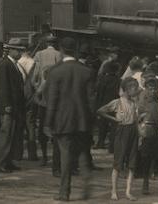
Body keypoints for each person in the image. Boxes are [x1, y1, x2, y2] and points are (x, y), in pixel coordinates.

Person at [44, 37, 93, 202]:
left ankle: (64, 193)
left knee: (65, 156)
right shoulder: (86, 71)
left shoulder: (55, 72)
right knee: (83, 154)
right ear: (76, 50)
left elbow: (52, 101)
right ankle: (87, 186)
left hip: (63, 120)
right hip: (82, 121)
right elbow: (91, 100)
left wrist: (48, 122)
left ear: (61, 50)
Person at [97, 77, 140, 201]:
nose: (136, 90)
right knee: (118, 163)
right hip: (122, 132)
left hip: (133, 132)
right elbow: (100, 111)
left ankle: (128, 191)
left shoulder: (134, 103)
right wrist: (114, 119)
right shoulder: (117, 102)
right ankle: (114, 191)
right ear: (127, 89)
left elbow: (136, 120)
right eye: (134, 88)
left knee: (132, 163)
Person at [0, 38, 26, 173]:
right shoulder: (5, 65)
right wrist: (7, 105)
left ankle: (8, 161)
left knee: (12, 135)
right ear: (11, 50)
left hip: (14, 106)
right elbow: (3, 87)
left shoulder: (12, 64)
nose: (20, 53)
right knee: (6, 135)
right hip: (8, 107)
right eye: (18, 50)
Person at [32, 34, 62, 168]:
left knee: (42, 128)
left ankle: (44, 156)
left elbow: (35, 76)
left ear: (45, 43)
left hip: (43, 98)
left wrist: (38, 85)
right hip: (56, 98)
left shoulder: (39, 54)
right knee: (57, 128)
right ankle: (58, 157)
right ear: (55, 44)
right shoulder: (59, 55)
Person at [137, 77, 158, 195]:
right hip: (147, 132)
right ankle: (145, 184)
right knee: (146, 159)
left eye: (155, 89)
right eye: (150, 89)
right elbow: (138, 121)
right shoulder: (142, 105)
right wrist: (140, 135)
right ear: (146, 89)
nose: (152, 91)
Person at [95, 60, 121, 150]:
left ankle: (100, 142)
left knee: (102, 125)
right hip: (115, 103)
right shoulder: (119, 80)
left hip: (104, 103)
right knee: (113, 125)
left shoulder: (102, 80)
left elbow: (99, 93)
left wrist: (97, 106)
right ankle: (112, 145)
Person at [18, 46, 37, 161]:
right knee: (31, 125)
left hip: (21, 96)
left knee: (20, 125)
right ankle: (32, 153)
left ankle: (19, 153)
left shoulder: (18, 63)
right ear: (29, 51)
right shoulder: (33, 62)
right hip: (30, 95)